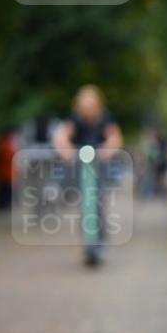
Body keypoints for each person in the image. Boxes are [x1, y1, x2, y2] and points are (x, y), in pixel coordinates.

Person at [53, 85, 124, 267]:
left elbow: (114, 137)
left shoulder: (105, 117)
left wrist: (107, 150)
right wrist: (67, 151)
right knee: (85, 204)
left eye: (91, 106)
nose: (88, 111)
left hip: (98, 165)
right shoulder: (75, 118)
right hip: (81, 165)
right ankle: (89, 243)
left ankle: (100, 242)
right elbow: (62, 136)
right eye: (85, 107)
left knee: (98, 201)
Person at [0, 128, 18, 210]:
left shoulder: (2, 144)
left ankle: (5, 205)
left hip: (6, 173)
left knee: (5, 190)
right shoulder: (4, 145)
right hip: (5, 173)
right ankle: (4, 206)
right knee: (5, 190)